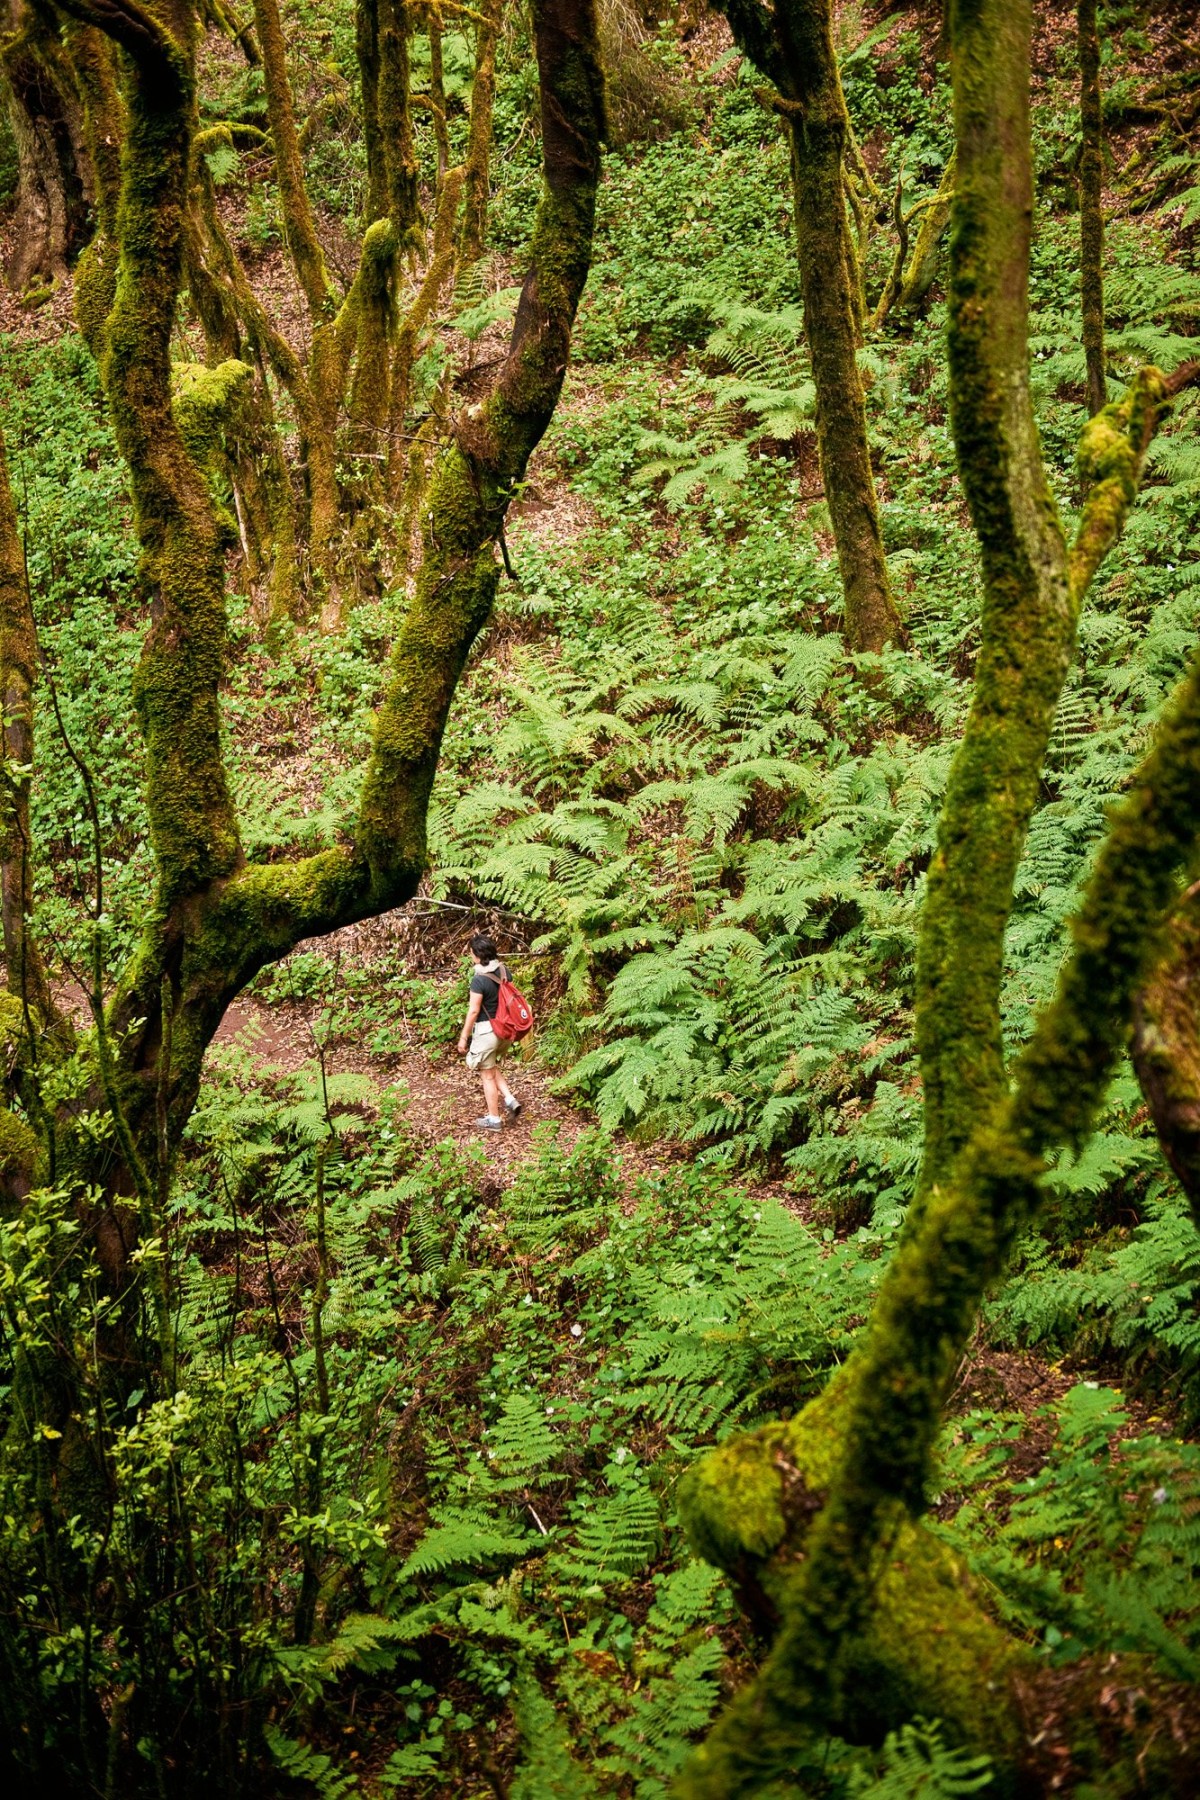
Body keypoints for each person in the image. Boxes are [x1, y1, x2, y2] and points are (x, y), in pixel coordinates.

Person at [456, 933, 523, 1130]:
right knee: (490, 1066)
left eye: (471, 953)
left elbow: (474, 1010)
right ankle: (510, 1099)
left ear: (477, 955)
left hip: (487, 1032)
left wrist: (463, 1037)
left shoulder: (478, 980)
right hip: (505, 1030)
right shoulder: (504, 971)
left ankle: (494, 1119)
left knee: (486, 1075)